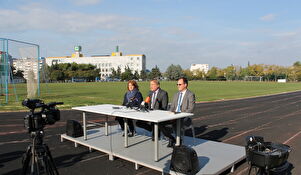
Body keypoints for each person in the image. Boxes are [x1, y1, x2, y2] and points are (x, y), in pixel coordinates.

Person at [159, 77, 195, 147]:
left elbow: (191, 109)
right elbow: (172, 107)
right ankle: (172, 138)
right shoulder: (176, 94)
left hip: (184, 117)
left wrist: (179, 114)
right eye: (177, 84)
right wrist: (170, 112)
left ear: (185, 85)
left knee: (176, 122)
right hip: (174, 116)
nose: (178, 86)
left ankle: (179, 141)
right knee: (161, 123)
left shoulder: (190, 95)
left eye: (180, 84)